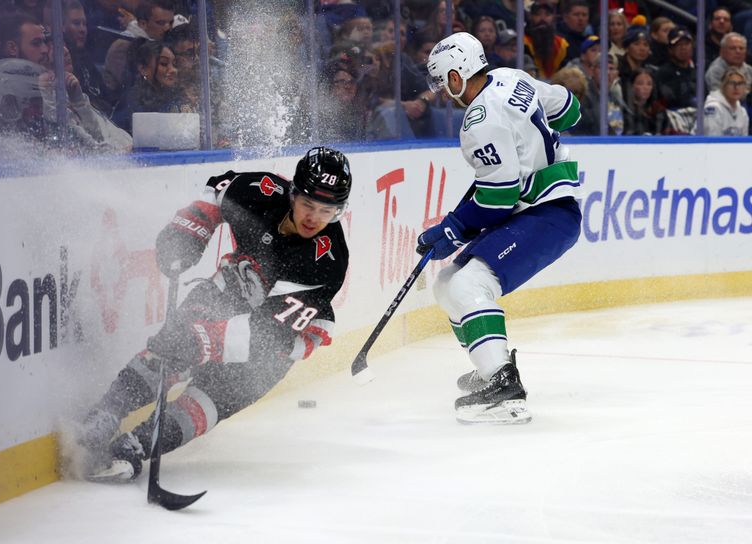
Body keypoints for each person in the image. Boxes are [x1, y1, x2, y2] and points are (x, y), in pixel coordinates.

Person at [75, 146, 352, 482]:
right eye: (308, 205)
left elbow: (268, 333)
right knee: (167, 350)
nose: (314, 218)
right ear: (292, 193)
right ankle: (107, 412)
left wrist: (202, 341)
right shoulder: (263, 192)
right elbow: (219, 189)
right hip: (227, 291)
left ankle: (133, 449)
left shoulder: (327, 264)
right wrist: (191, 229)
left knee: (204, 402)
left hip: (268, 350)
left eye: (328, 211)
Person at [421, 32, 582, 424]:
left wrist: (453, 229)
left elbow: (498, 197)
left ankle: (504, 386)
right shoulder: (512, 77)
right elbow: (570, 110)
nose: (443, 93)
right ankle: (489, 364)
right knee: (445, 284)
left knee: (467, 286)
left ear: (457, 76)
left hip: (544, 215)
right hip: (544, 210)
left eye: (444, 83)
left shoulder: (477, 121)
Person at [704, 66, 750, 135]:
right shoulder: (713, 108)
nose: (736, 87)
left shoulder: (742, 112)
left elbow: (743, 142)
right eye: (732, 83)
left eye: (740, 84)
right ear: (723, 86)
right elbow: (712, 141)